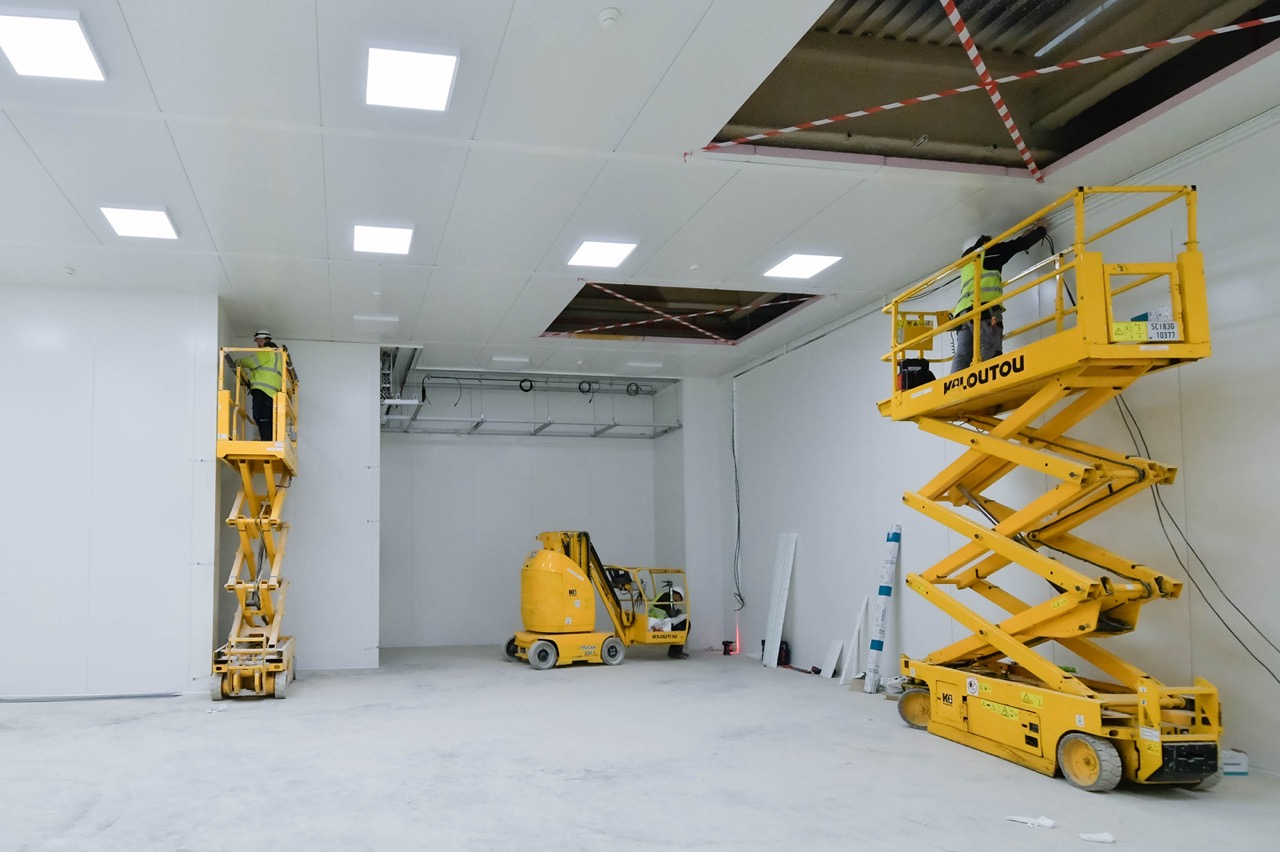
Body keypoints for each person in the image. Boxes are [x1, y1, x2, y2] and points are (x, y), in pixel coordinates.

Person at [950, 222, 1047, 373]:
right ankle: (982, 381)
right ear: (986, 241)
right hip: (984, 309)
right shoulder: (991, 250)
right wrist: (1041, 229)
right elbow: (1017, 245)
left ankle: (954, 387)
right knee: (989, 347)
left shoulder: (967, 262)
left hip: (962, 313)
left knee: (963, 354)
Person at [236, 330, 284, 441]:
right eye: (257, 341)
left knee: (261, 417)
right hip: (272, 393)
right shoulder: (278, 355)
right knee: (267, 419)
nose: (258, 344)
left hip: (262, 390)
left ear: (267, 340)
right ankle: (268, 440)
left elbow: (252, 362)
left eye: (260, 341)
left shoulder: (266, 351)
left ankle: (266, 442)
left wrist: (238, 361)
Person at [649, 585, 690, 659]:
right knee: (686, 624)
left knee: (684, 623)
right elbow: (671, 614)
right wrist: (678, 613)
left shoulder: (665, 595)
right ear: (677, 595)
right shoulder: (668, 597)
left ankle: (675, 651)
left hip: (659, 619)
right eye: (679, 599)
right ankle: (675, 651)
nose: (678, 601)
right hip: (659, 621)